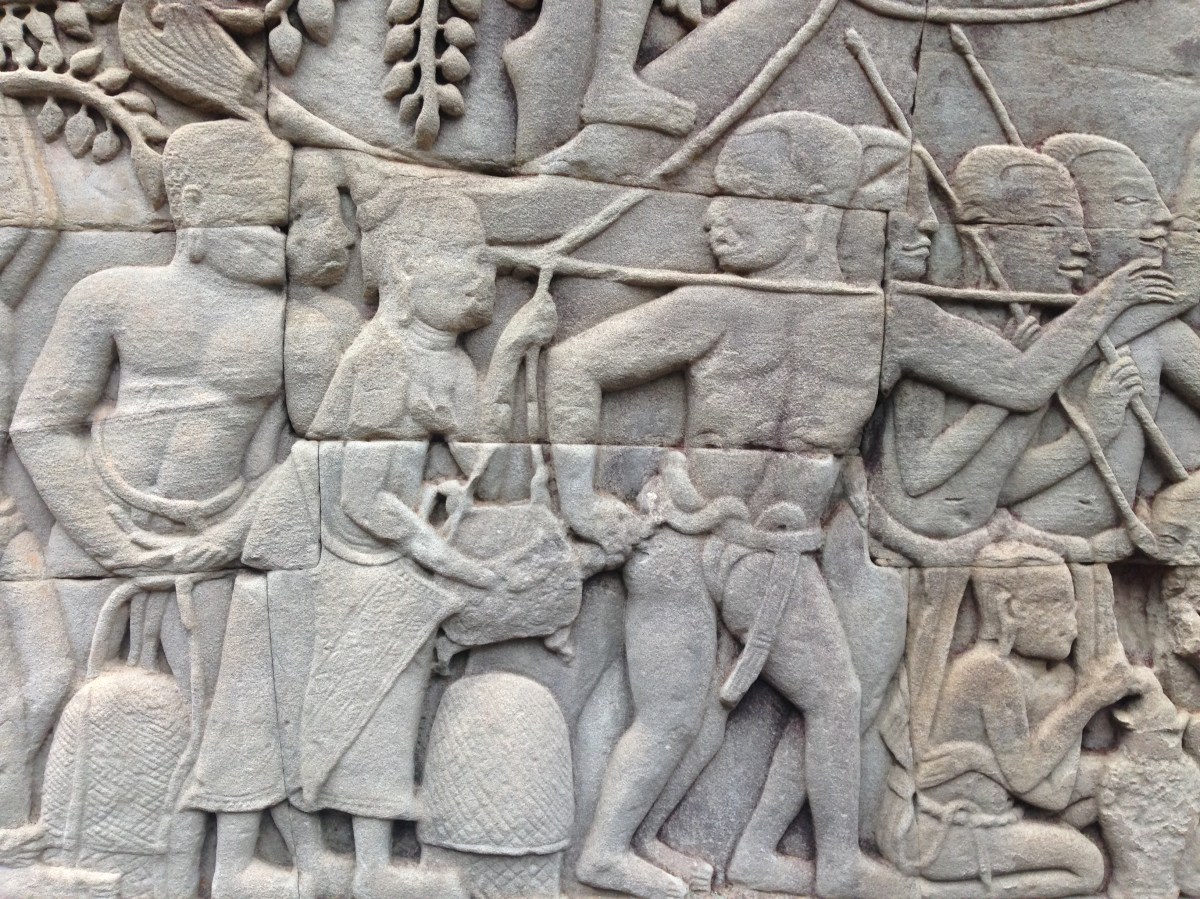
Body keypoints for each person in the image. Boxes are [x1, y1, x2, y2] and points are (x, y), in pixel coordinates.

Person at [549, 111, 912, 899]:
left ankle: (835, 870)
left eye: (742, 197)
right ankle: (605, 852)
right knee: (677, 715)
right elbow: (575, 364)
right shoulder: (714, 306)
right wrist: (580, 501)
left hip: (776, 552)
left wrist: (1123, 301)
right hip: (681, 539)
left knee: (834, 696)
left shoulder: (881, 321)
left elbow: (1018, 377)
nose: (714, 217)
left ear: (812, 210)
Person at [10, 120, 296, 899]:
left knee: (223, 722)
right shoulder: (111, 296)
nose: (276, 241)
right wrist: (110, 540)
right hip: (96, 529)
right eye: (259, 219)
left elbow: (304, 456)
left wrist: (224, 538)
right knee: (54, 695)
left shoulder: (291, 324)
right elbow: (41, 424)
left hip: (215, 538)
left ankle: (190, 873)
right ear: (193, 206)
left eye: (284, 222)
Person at [287, 182, 561, 899]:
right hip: (359, 559)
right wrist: (454, 561)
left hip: (399, 557)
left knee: (395, 705)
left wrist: (513, 349)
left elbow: (480, 462)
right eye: (464, 258)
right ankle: (368, 866)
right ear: (406, 268)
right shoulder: (381, 355)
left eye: (486, 260)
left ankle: (372, 864)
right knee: (370, 710)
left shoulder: (450, 361)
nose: (484, 276)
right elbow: (360, 498)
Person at [868, 144, 1180, 567]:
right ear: (985, 235)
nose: (1082, 246)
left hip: (990, 537)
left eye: (1081, 228)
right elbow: (921, 478)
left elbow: (998, 481)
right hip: (933, 539)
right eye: (1052, 226)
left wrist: (1089, 431)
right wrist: (1109, 297)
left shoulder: (1028, 337)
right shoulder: (935, 327)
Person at [879, 541, 1150, 899]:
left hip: (988, 818)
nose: (1073, 625)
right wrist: (1090, 699)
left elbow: (1051, 796)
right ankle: (929, 892)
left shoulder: (1015, 673)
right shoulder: (988, 672)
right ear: (1009, 609)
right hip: (941, 835)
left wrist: (982, 763)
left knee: (1113, 780)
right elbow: (1025, 775)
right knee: (1089, 867)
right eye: (1059, 606)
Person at [1003, 134, 1200, 543]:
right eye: (1131, 200)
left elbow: (1180, 289)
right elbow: (979, 486)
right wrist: (1091, 430)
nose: (1162, 216)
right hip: (1031, 541)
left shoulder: (1154, 330)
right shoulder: (1012, 330)